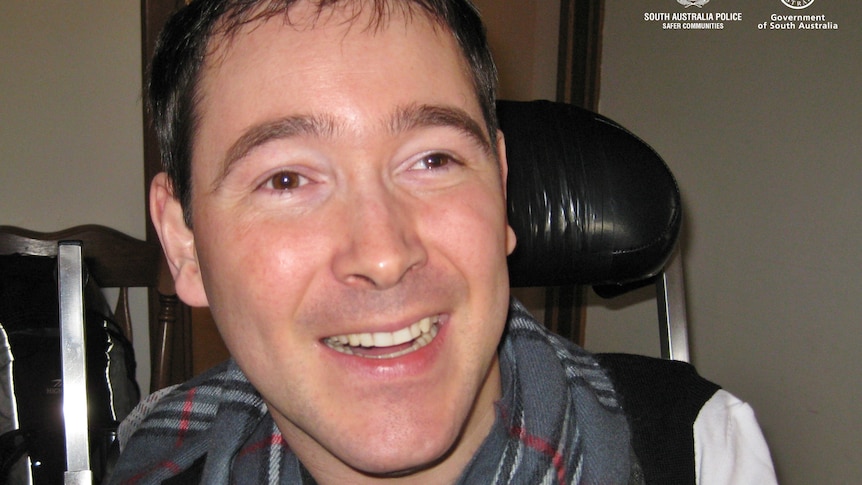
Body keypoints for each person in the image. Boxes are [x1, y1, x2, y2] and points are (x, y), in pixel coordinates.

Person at [110, 1, 777, 483]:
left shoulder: (700, 453)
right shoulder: (152, 459)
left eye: (433, 160)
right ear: (185, 243)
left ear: (501, 184)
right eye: (286, 178)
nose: (383, 252)